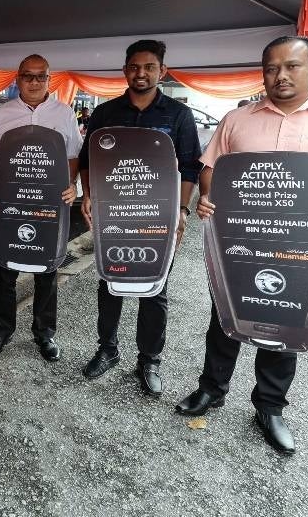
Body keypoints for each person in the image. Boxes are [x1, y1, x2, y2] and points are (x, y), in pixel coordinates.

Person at [176, 36, 308, 454]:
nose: (280, 75)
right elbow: (211, 172)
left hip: (300, 248)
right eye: (271, 68)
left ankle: (269, 407)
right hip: (240, 244)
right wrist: (209, 197)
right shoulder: (237, 120)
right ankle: (211, 389)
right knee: (225, 318)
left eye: (292, 66)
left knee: (285, 324)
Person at [77, 40, 203, 396]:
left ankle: (149, 360)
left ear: (162, 71)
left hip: (158, 216)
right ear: (125, 70)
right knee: (109, 282)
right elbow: (88, 160)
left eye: (149, 67)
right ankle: (107, 349)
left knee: (155, 289)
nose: (141, 73)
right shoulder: (105, 114)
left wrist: (181, 209)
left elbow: (191, 166)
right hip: (114, 212)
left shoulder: (178, 115)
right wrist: (88, 195)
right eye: (134, 67)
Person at [0, 54, 81, 361]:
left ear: (50, 79)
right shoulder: (1, 114)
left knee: (47, 270)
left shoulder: (64, 114)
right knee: (5, 270)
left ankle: (44, 334)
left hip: (49, 203)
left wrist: (73, 184)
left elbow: (73, 155)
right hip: (10, 204)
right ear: (17, 78)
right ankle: (1, 331)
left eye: (40, 76)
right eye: (27, 76)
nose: (34, 82)